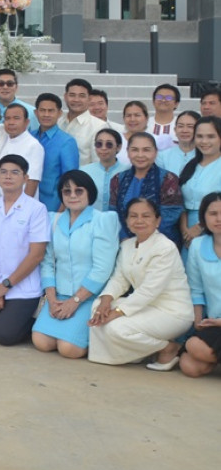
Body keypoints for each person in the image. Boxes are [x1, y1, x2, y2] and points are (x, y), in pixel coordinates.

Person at [88, 197, 194, 368]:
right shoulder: (127, 245)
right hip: (145, 306)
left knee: (116, 328)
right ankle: (139, 353)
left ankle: (168, 348)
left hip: (171, 312)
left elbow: (149, 290)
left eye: (146, 216)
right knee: (97, 308)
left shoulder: (165, 248)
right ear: (127, 221)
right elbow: (119, 279)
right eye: (133, 216)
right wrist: (106, 301)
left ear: (157, 220)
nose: (139, 220)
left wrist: (117, 312)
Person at [30, 170, 120, 359]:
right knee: (41, 342)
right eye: (67, 191)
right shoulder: (53, 219)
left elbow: (102, 268)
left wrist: (75, 301)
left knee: (68, 349)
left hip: (88, 296)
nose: (72, 195)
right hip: (59, 295)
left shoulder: (103, 220)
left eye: (79, 191)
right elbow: (47, 262)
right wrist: (51, 298)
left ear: (89, 193)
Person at [0, 154, 50, 346]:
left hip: (22, 286)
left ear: (25, 178)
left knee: (5, 336)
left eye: (15, 172)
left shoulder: (36, 209)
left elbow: (36, 255)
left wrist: (5, 286)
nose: (8, 176)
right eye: (4, 172)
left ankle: (33, 320)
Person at [108, 132, 183, 247]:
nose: (140, 155)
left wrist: (142, 240)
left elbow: (170, 215)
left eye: (146, 150)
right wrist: (125, 239)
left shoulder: (168, 179)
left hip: (160, 244)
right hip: (124, 243)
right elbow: (113, 214)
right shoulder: (118, 179)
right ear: (127, 152)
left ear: (155, 152)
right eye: (135, 150)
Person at [180, 192, 221, 377]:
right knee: (189, 364)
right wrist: (198, 321)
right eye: (213, 214)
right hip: (214, 323)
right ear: (203, 217)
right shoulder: (197, 245)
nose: (218, 219)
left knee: (194, 348)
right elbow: (196, 289)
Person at [178, 116, 221, 251]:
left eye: (211, 136)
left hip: (214, 228)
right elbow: (181, 201)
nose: (204, 141)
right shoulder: (190, 165)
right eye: (200, 136)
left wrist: (199, 227)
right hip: (186, 232)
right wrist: (185, 229)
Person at [33, 93, 80, 212]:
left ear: (59, 113)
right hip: (29, 201)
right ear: (36, 113)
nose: (46, 114)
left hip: (53, 204)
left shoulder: (66, 142)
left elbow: (70, 178)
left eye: (51, 111)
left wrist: (63, 208)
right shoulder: (29, 137)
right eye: (42, 110)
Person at [0, 105, 44, 199]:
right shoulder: (3, 140)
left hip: (20, 203)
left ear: (26, 122)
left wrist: (22, 205)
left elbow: (32, 181)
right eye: (7, 118)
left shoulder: (33, 145)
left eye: (16, 118)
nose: (11, 122)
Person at [80, 128, 129, 212]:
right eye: (99, 144)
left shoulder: (128, 171)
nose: (103, 148)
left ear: (118, 147)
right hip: (91, 219)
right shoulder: (84, 172)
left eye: (109, 144)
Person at [59, 79, 102, 165]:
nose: (76, 100)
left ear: (89, 99)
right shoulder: (58, 122)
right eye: (72, 95)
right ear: (65, 97)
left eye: (82, 96)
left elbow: (98, 164)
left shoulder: (98, 127)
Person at [0, 69, 38, 134]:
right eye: (0, 84)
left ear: (16, 87)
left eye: (10, 84)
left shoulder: (31, 112)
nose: (5, 87)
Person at [156, 110, 200, 177]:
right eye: (180, 126)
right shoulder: (162, 156)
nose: (184, 130)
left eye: (190, 126)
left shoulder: (205, 156)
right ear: (175, 129)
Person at [117, 101, 151, 165]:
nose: (132, 119)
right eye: (128, 115)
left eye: (137, 115)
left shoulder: (155, 140)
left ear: (146, 118)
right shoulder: (116, 140)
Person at [149, 84, 180, 151]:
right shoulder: (144, 124)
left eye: (168, 98)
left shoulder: (181, 125)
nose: (163, 100)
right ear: (153, 101)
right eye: (159, 97)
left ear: (176, 104)